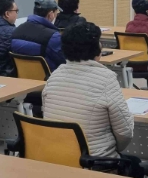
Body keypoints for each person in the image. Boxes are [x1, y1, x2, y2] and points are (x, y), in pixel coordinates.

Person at [43, 22, 135, 159]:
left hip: (58, 157)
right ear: (96, 48)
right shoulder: (106, 79)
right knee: (135, 164)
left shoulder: (54, 76)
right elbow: (125, 132)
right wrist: (114, 149)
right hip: (93, 161)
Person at [11, 0, 64, 71]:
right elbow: (64, 61)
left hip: (22, 76)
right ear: (51, 14)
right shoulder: (53, 37)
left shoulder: (17, 30)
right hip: (50, 76)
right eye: (56, 12)